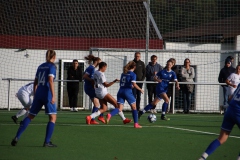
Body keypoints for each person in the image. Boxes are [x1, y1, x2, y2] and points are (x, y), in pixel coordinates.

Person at [11, 50, 58, 147]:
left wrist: (36, 94)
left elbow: (35, 81)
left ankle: (17, 137)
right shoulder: (52, 66)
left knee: (30, 116)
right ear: (54, 57)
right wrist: (53, 95)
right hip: (47, 94)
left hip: (38, 94)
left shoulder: (40, 66)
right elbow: (50, 80)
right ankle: (47, 142)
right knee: (52, 118)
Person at [198, 84, 240, 160]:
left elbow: (230, 98)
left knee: (221, 139)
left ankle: (202, 158)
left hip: (230, 110)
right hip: (238, 112)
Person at [106, 61, 144, 128]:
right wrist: (140, 89)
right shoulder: (133, 74)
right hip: (127, 92)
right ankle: (136, 124)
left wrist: (130, 85)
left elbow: (124, 82)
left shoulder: (123, 73)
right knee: (134, 107)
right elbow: (134, 84)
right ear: (134, 67)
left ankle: (110, 114)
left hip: (120, 91)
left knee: (119, 108)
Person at [83, 55, 105, 124]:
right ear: (97, 62)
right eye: (100, 62)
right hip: (90, 88)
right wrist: (92, 81)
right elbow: (84, 76)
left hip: (89, 88)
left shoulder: (91, 68)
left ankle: (96, 118)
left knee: (98, 103)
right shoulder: (91, 68)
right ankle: (95, 118)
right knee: (98, 103)